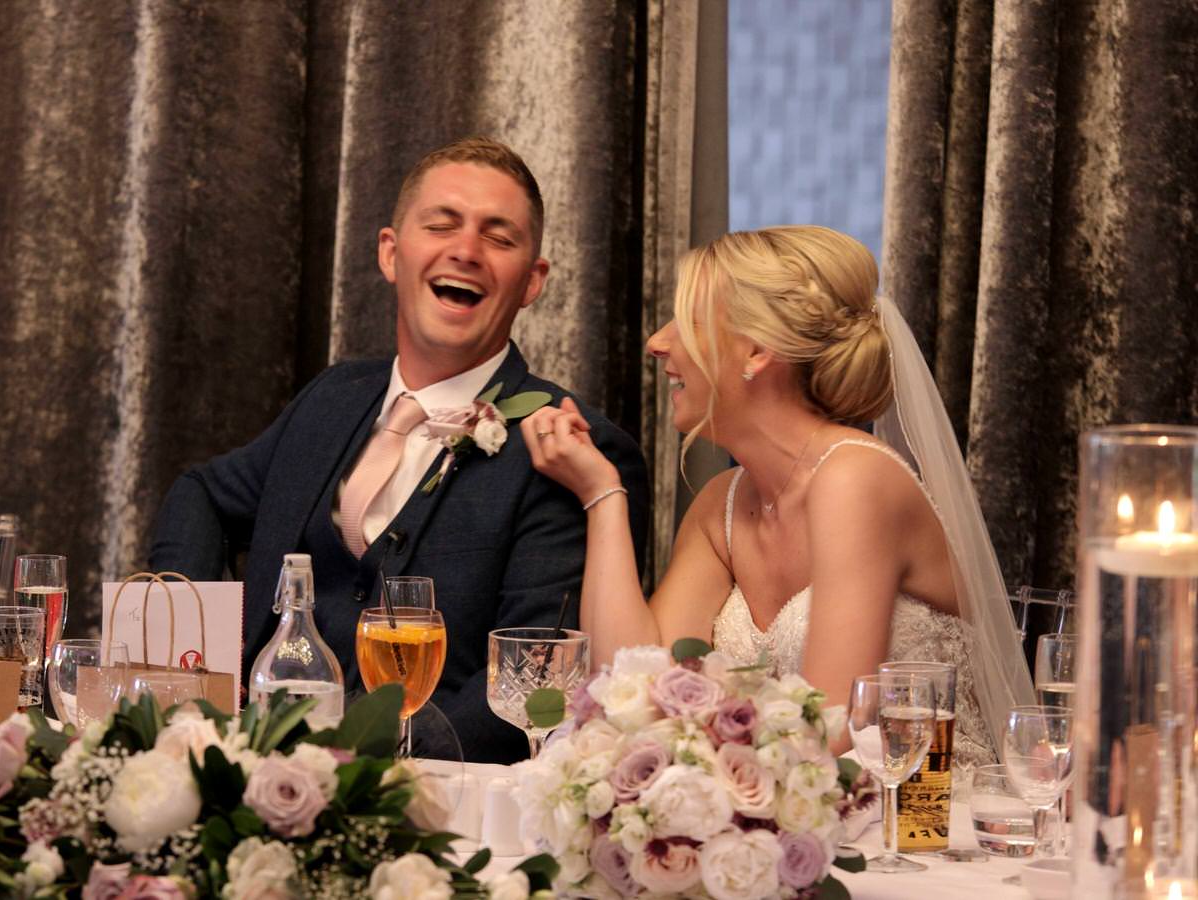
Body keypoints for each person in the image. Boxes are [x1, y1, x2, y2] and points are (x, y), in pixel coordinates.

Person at [150, 137, 650, 763]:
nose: (465, 251)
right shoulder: (331, 398)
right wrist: (195, 670)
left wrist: (355, 764)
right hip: (247, 772)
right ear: (391, 253)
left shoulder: (571, 447)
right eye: (442, 225)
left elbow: (537, 678)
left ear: (533, 281)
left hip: (431, 806)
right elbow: (201, 494)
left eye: (499, 238)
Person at [522, 225, 1030, 765]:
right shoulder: (722, 503)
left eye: (688, 321)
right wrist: (602, 494)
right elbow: (629, 681)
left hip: (929, 827)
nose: (658, 342)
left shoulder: (855, 478)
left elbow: (833, 728)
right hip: (800, 822)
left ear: (757, 351)